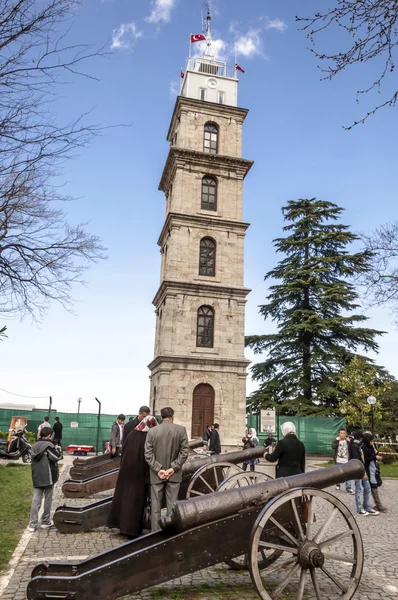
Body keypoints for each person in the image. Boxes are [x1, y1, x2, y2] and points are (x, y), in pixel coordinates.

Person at [107, 415, 158, 537]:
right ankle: (132, 529)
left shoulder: (132, 434)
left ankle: (122, 525)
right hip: (139, 475)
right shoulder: (147, 437)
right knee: (135, 502)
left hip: (126, 472)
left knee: (124, 499)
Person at [144, 407, 189, 531]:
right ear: (172, 416)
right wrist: (172, 468)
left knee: (155, 508)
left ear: (161, 417)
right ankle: (169, 534)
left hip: (156, 474)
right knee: (172, 507)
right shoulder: (181, 430)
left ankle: (155, 534)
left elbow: (148, 454)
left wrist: (158, 469)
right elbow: (184, 453)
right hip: (174, 474)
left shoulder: (152, 432)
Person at [28, 426, 61, 532]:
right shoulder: (49, 445)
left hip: (37, 476)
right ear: (49, 435)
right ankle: (45, 521)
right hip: (48, 476)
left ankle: (32, 524)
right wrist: (59, 450)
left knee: (36, 500)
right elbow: (56, 457)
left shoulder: (34, 446)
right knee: (48, 499)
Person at [350, 429, 379, 516]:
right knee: (358, 489)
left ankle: (368, 507)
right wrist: (364, 473)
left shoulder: (359, 445)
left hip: (362, 469)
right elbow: (357, 460)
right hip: (357, 470)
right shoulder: (354, 446)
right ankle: (359, 509)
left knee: (367, 488)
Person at [362, 433, 387, 512]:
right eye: (371, 441)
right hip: (368, 469)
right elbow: (365, 459)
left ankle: (366, 503)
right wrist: (374, 457)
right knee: (372, 486)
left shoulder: (372, 446)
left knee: (372, 486)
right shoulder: (363, 447)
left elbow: (375, 454)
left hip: (374, 469)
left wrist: (376, 452)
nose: (372, 442)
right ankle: (378, 504)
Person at [332, 427, 354, 494]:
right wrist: (336, 440)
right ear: (339, 434)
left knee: (348, 475)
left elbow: (353, 448)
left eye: (344, 433)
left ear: (346, 434)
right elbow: (333, 446)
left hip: (346, 460)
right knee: (338, 474)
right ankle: (338, 484)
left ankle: (348, 488)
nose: (342, 435)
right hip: (338, 460)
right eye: (341, 433)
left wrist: (350, 442)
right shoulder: (337, 440)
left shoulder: (348, 441)